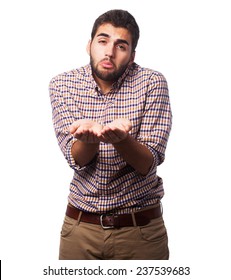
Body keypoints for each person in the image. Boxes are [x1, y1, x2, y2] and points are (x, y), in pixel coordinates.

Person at [49, 9, 172, 260]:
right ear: (89, 44)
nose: (109, 52)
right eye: (103, 41)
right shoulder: (62, 84)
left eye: (121, 46)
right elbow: (77, 160)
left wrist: (123, 141)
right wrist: (89, 140)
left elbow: (148, 163)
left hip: (140, 232)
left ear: (132, 55)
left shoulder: (151, 82)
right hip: (81, 228)